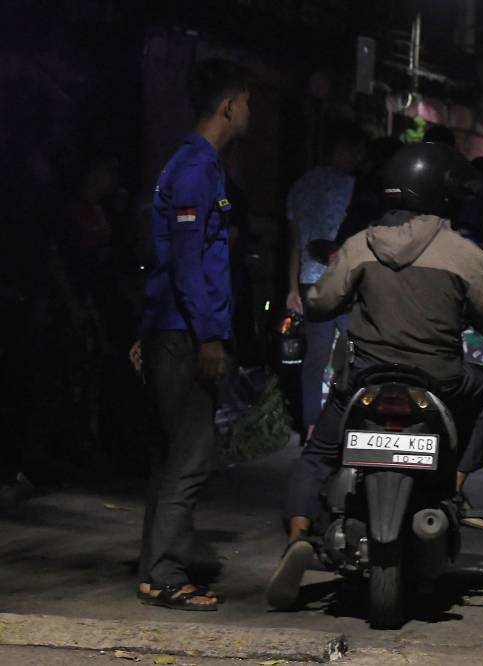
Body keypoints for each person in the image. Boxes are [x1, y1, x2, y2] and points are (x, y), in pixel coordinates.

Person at [266, 142, 483, 610]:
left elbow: (319, 303)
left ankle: (299, 533)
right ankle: (452, 489)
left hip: (366, 383)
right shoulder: (465, 254)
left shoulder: (360, 244)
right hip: (439, 384)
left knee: (317, 454)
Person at [131, 59, 251, 611]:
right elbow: (186, 261)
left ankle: (155, 570)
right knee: (190, 458)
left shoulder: (185, 163)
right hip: (184, 335)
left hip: (167, 329)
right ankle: (168, 575)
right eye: (248, 102)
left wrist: (146, 328)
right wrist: (209, 337)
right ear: (229, 105)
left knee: (168, 455)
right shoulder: (199, 170)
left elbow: (160, 258)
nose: (251, 113)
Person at [285, 119, 367, 438]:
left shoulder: (301, 186)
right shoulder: (351, 187)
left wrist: (292, 288)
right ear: (343, 150)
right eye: (356, 152)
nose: (359, 159)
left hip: (309, 280)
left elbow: (295, 243)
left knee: (315, 356)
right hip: (343, 280)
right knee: (354, 350)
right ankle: (346, 418)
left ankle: (311, 423)